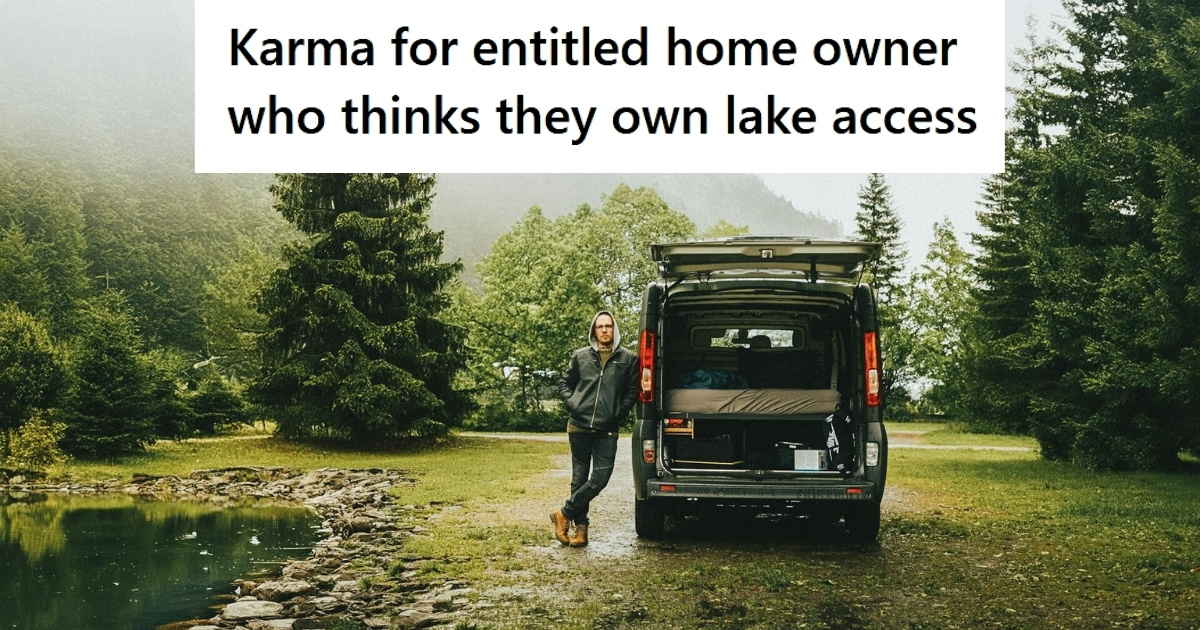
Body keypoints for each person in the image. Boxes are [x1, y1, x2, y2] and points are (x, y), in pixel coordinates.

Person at [551, 310, 639, 547]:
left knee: (600, 477)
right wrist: (574, 404)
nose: (604, 330)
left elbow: (633, 392)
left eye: (608, 326)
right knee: (579, 478)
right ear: (594, 330)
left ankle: (563, 514)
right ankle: (581, 529)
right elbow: (564, 383)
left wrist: (617, 413)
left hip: (606, 428)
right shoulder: (580, 357)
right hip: (578, 425)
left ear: (614, 329)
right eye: (600, 326)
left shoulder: (628, 359)